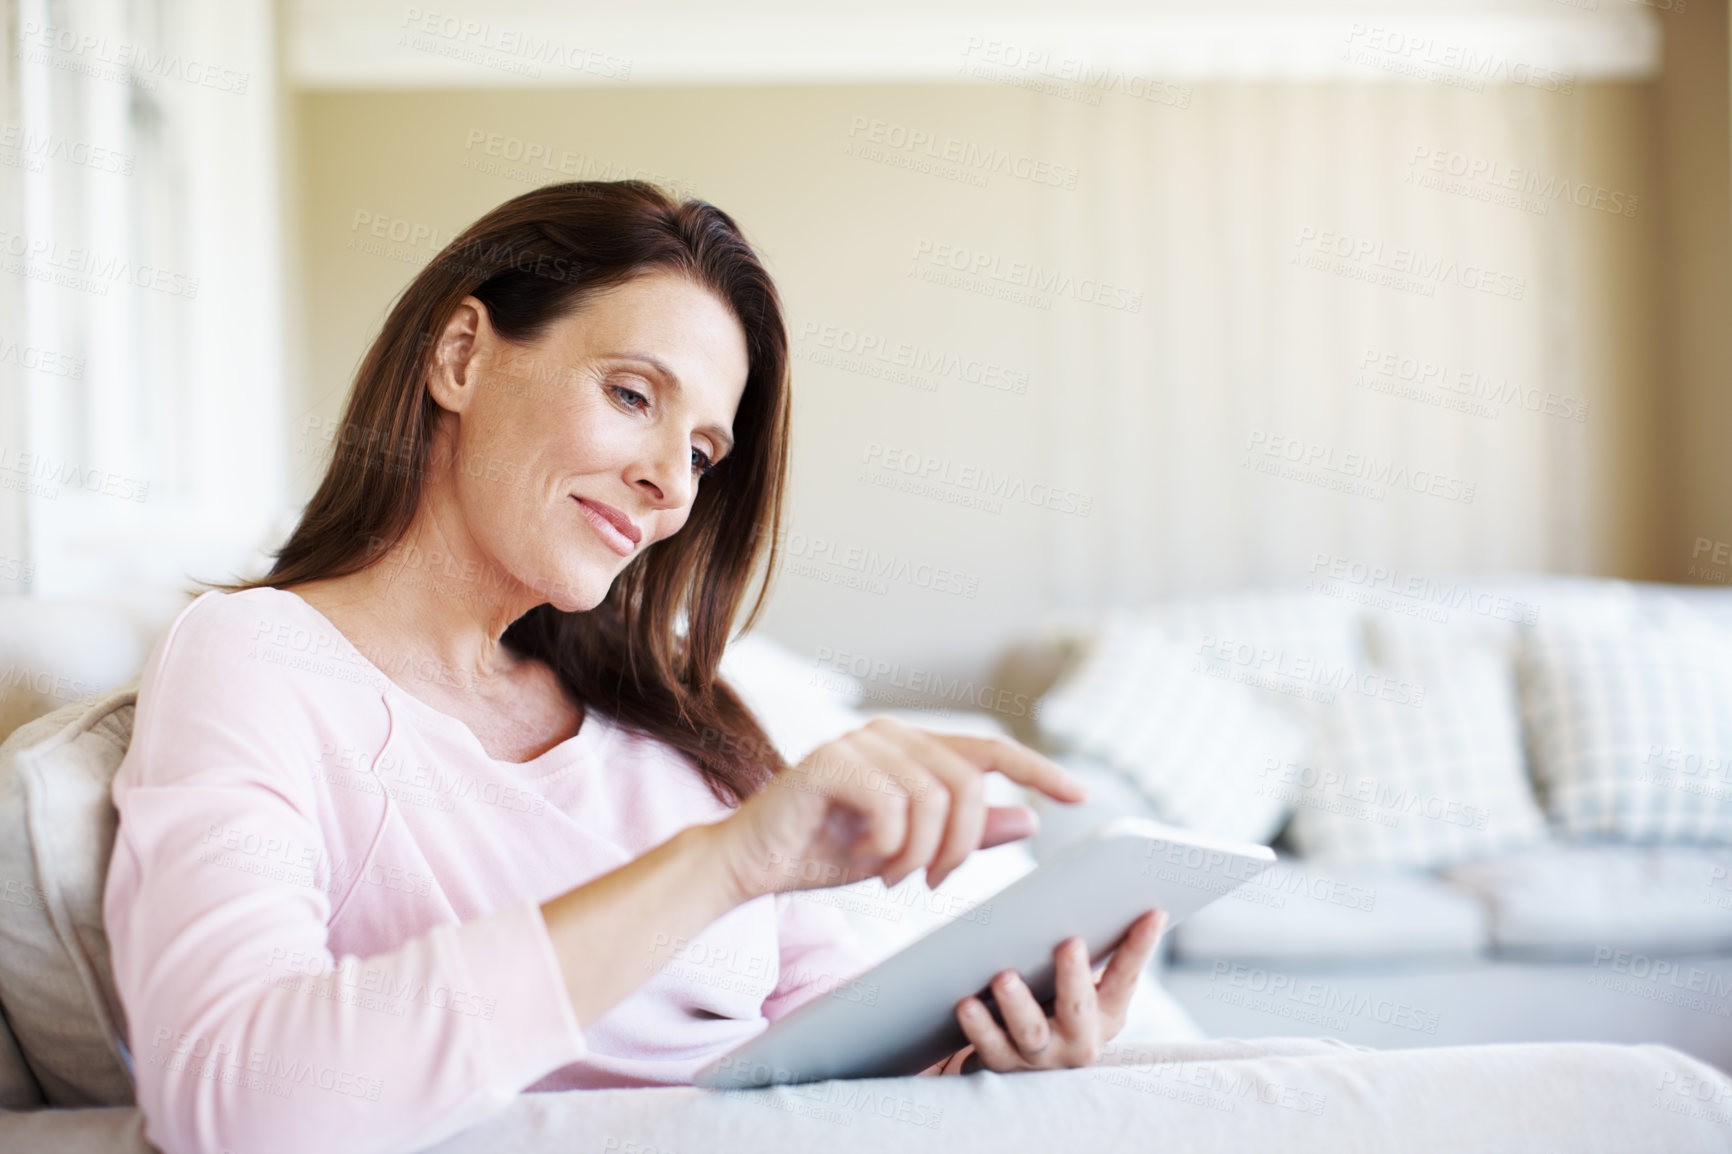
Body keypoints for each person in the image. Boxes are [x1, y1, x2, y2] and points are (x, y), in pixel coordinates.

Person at [102, 180, 1168, 1154]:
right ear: (461, 356)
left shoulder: (676, 714)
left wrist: (982, 1054)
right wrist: (726, 860)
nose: (670, 480)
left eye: (705, 451)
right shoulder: (263, 658)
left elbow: (819, 1047)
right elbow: (231, 1098)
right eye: (630, 394)